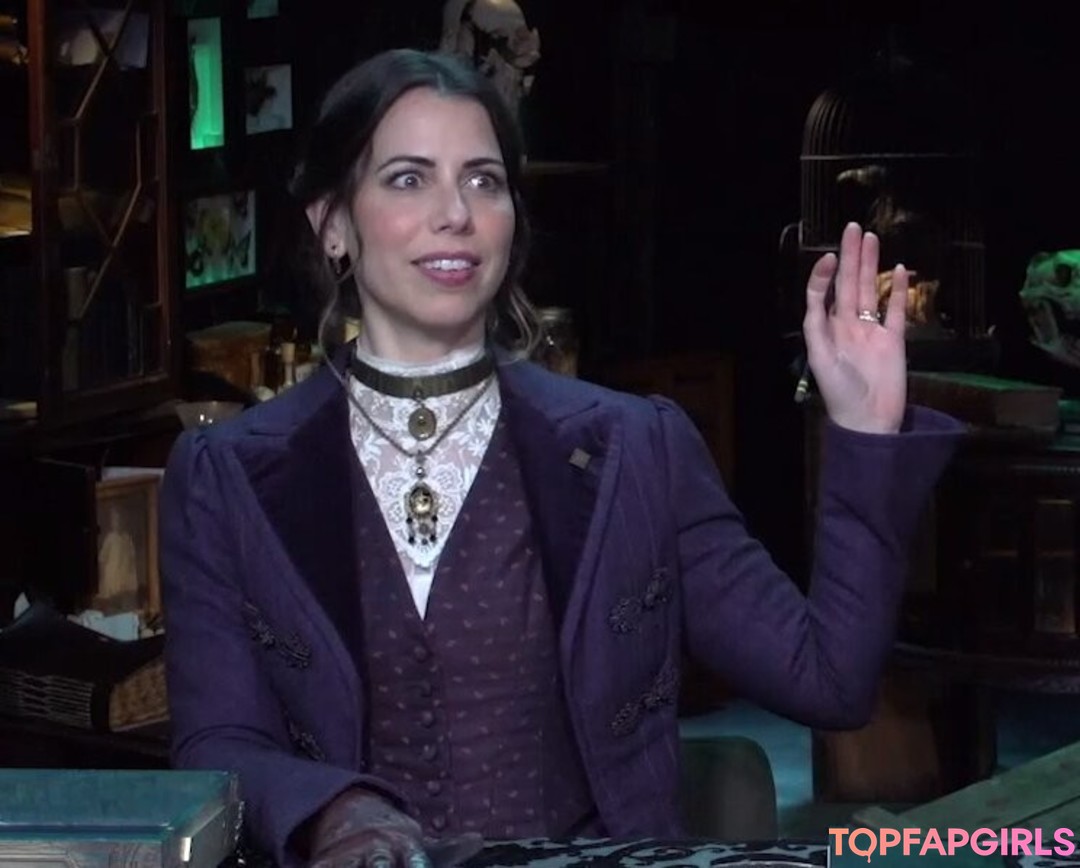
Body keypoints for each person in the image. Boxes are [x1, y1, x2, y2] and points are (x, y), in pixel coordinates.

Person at [159, 47, 964, 868]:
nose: (455, 213)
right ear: (332, 223)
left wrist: (863, 434)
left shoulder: (636, 450)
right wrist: (334, 810)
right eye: (408, 179)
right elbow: (217, 743)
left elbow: (830, 678)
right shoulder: (226, 476)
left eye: (483, 181)